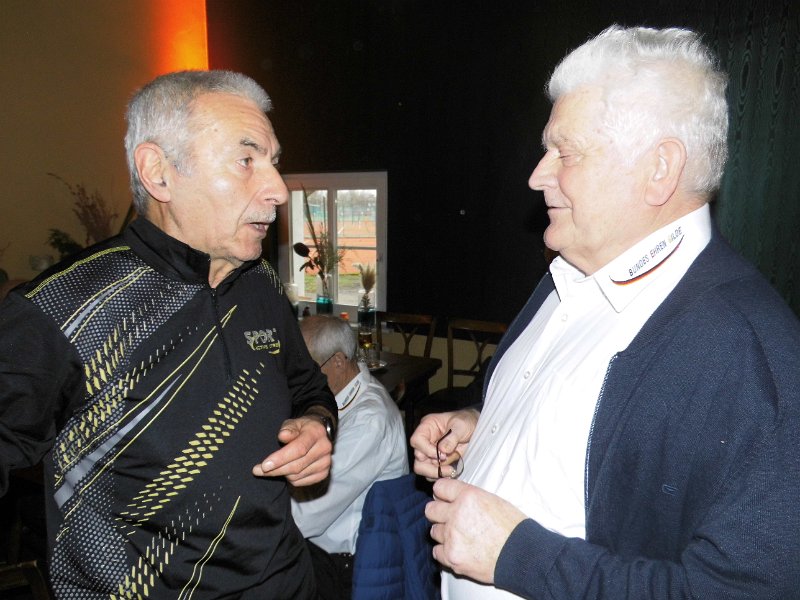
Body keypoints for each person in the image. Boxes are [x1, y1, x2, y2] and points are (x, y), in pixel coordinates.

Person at [411, 25, 800, 599]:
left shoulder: (747, 351)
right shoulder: (564, 279)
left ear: (660, 168)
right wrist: (481, 423)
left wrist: (519, 557)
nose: (537, 176)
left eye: (565, 153)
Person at [0, 70, 339, 598]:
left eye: (273, 162)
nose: (277, 190)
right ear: (158, 173)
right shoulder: (60, 310)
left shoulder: (261, 284)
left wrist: (317, 426)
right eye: (246, 160)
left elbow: (309, 388)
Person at [292, 315, 408, 599]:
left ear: (338, 362)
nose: (297, 377)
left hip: (340, 565)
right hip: (320, 550)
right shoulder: (338, 396)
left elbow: (306, 516)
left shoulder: (368, 420)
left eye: (307, 367)